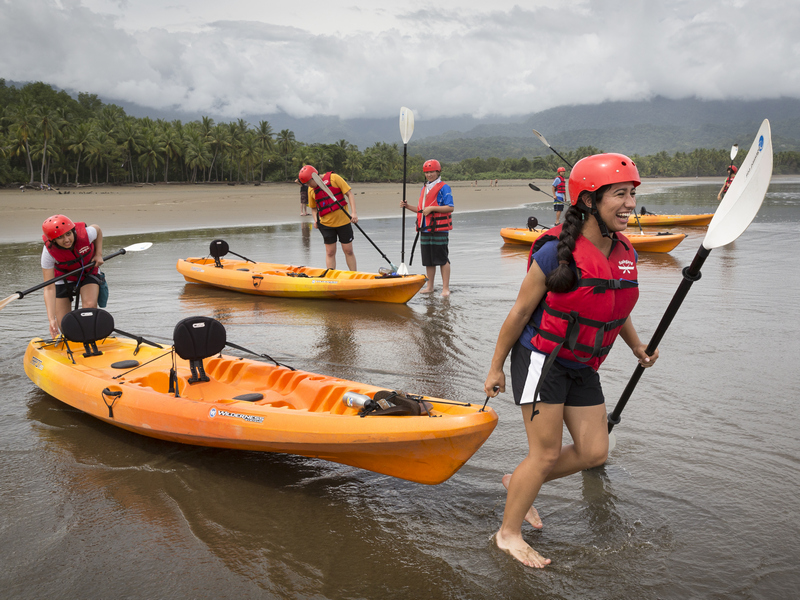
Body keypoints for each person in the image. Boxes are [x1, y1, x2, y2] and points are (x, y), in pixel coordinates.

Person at [483, 153, 659, 568]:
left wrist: (636, 346)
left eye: (632, 193)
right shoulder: (554, 254)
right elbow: (520, 314)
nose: (630, 203)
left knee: (594, 452)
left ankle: (518, 481)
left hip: (582, 364)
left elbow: (613, 302)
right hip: (541, 359)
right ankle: (507, 534)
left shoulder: (621, 250)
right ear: (588, 200)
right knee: (543, 453)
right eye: (619, 194)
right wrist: (495, 367)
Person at [40, 215, 104, 339]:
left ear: (73, 231)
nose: (67, 240)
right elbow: (48, 288)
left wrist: (98, 254)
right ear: (53, 240)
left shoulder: (85, 234)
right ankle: (74, 343)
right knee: (64, 324)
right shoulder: (48, 252)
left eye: (68, 234)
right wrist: (51, 319)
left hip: (87, 272)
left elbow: (98, 229)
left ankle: (91, 339)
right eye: (60, 237)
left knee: (90, 306)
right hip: (63, 277)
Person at [401, 159, 454, 296]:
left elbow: (450, 207)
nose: (429, 175)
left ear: (438, 171)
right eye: (427, 172)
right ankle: (430, 287)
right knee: (428, 259)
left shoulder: (444, 187)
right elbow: (421, 210)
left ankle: (445, 288)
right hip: (425, 228)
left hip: (439, 229)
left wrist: (432, 208)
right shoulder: (424, 188)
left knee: (442, 258)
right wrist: (407, 206)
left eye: (432, 172)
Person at [298, 165, 358, 271]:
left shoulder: (334, 178)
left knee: (348, 250)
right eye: (306, 184)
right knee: (330, 252)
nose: (308, 185)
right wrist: (316, 221)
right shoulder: (311, 190)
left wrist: (354, 213)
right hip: (326, 225)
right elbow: (313, 208)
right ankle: (331, 276)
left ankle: (354, 275)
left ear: (314, 177)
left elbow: (349, 194)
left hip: (343, 221)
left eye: (308, 182)